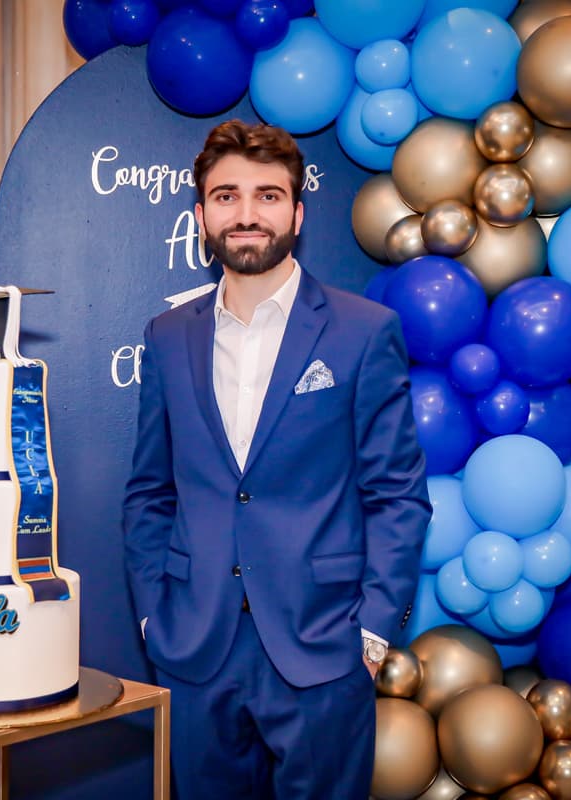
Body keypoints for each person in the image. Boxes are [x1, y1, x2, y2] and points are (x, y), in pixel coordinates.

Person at [122, 119, 430, 800]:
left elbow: (397, 496)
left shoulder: (363, 330)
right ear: (201, 215)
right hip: (194, 647)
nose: (247, 214)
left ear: (297, 211)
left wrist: (373, 633)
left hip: (323, 647)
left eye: (267, 195)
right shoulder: (168, 336)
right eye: (226, 196)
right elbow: (149, 492)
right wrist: (153, 616)